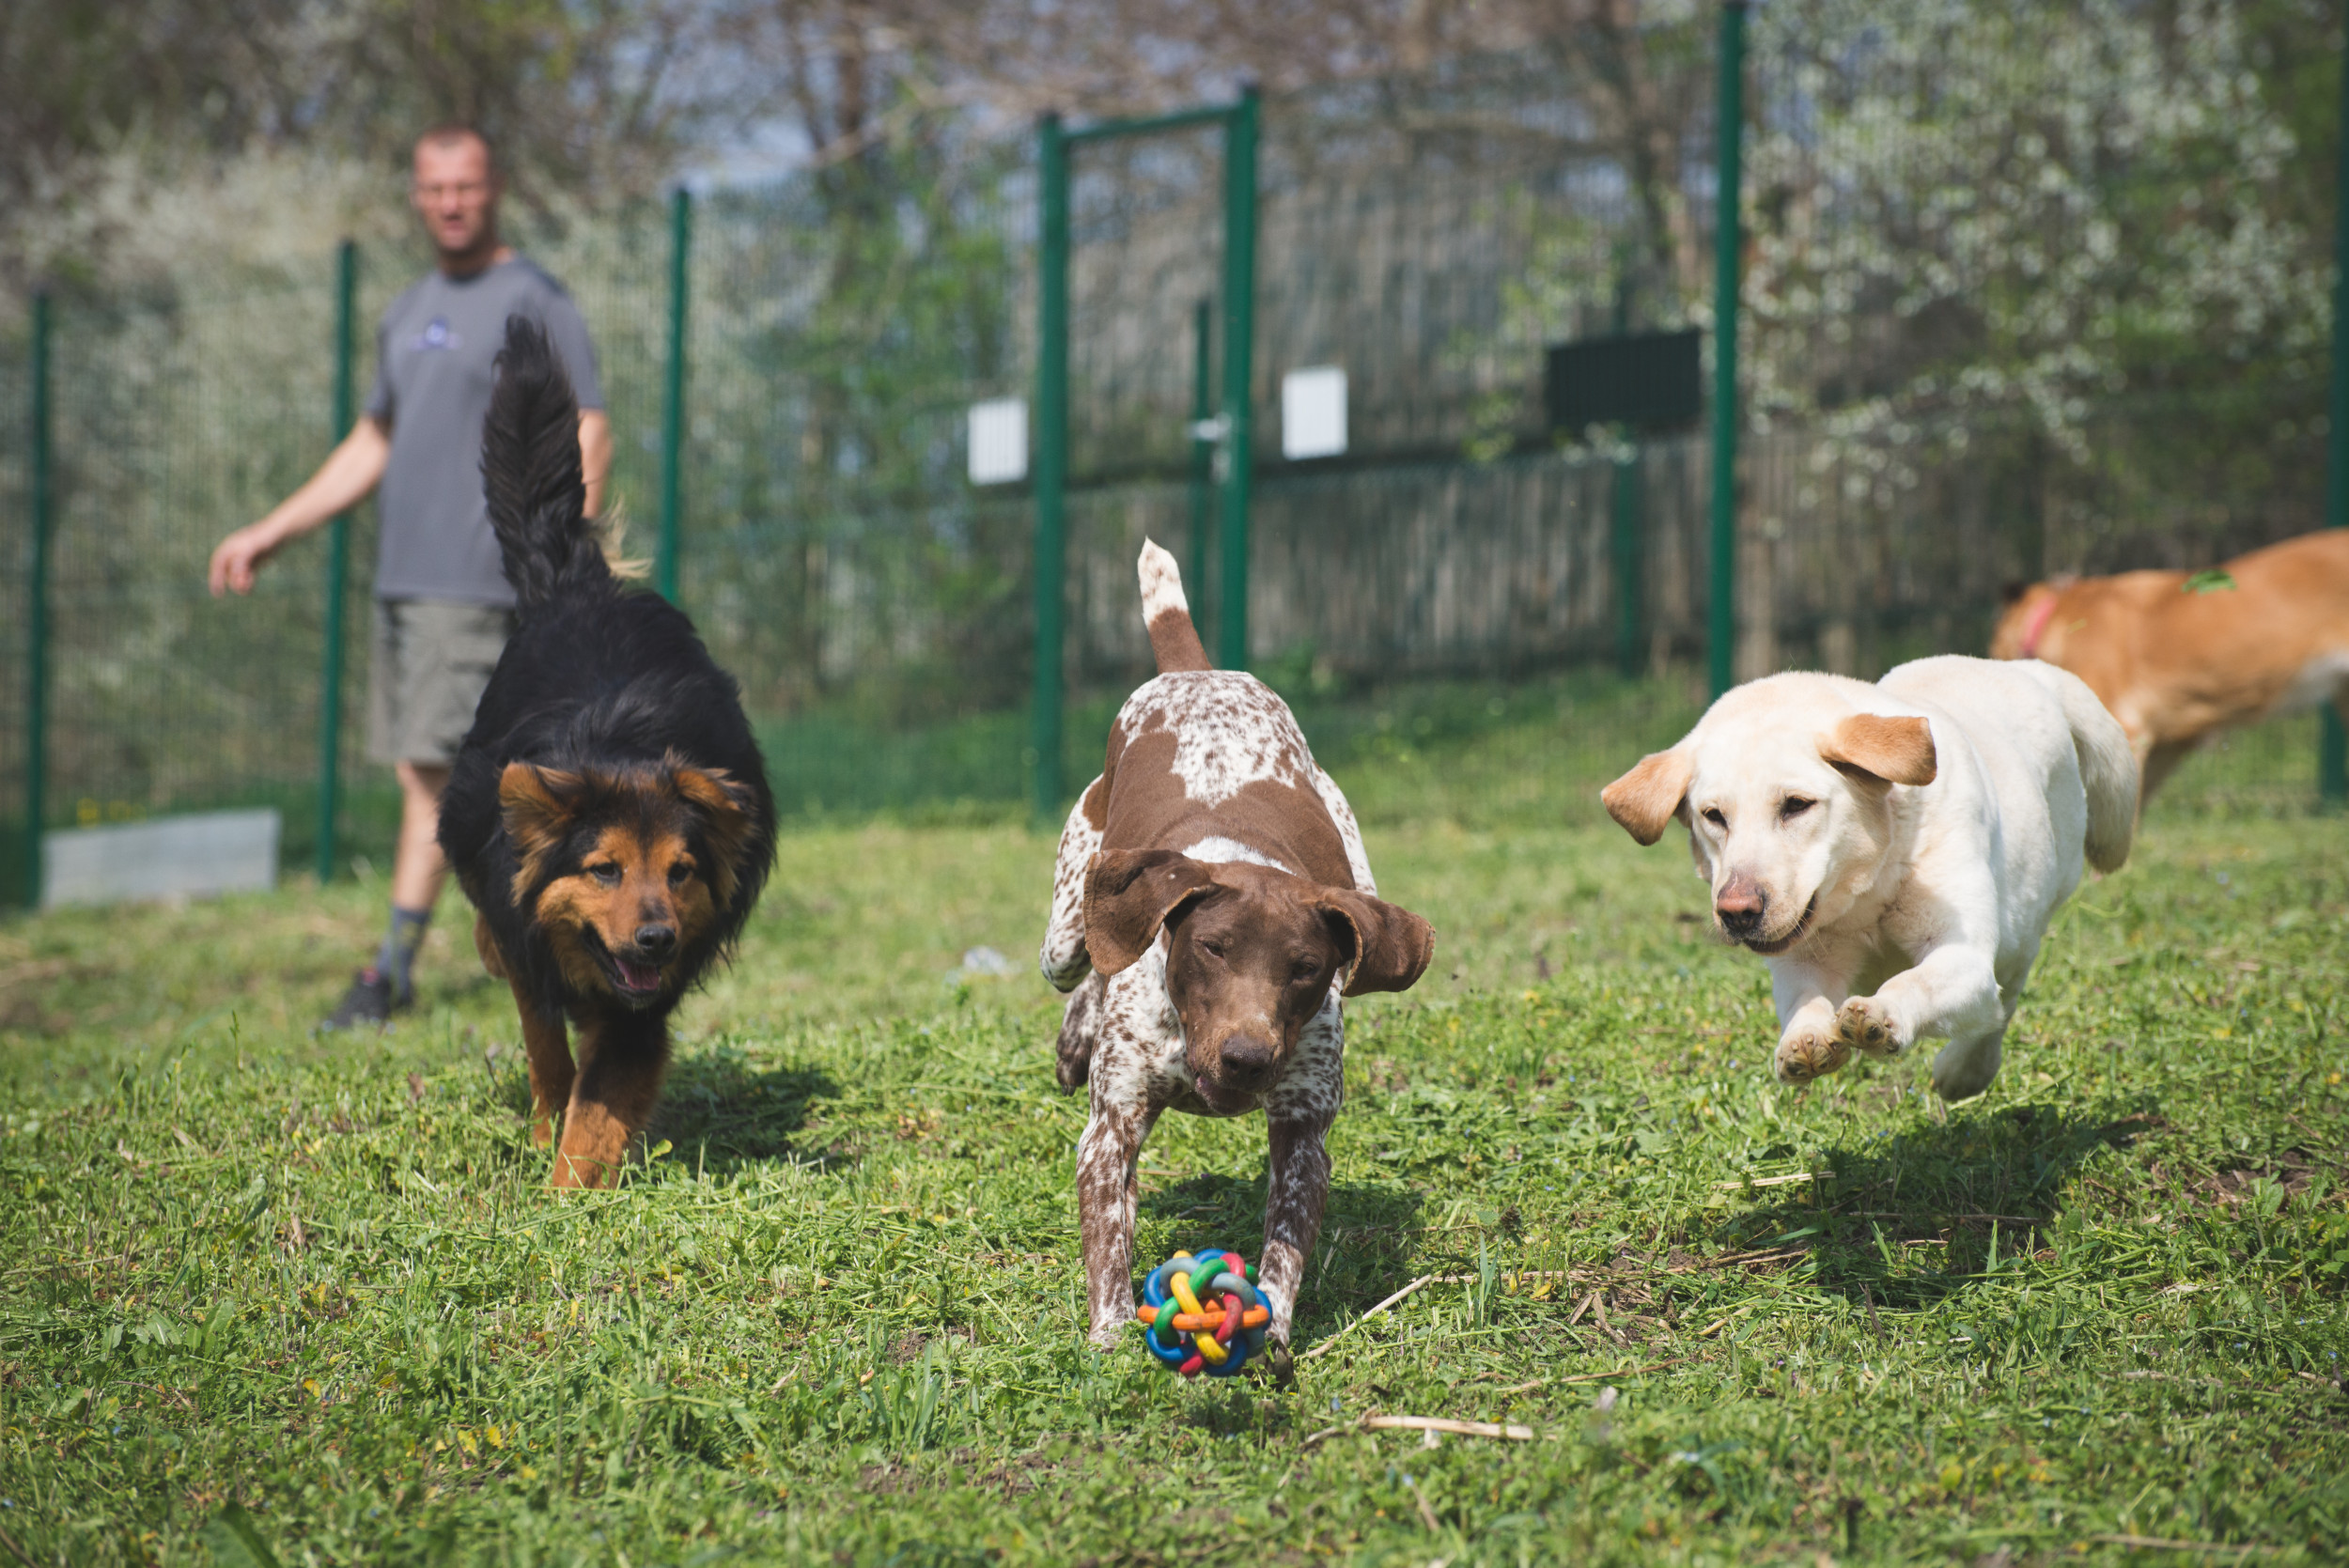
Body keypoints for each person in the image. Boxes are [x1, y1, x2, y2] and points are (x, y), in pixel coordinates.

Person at [210, 124, 612, 1029]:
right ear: (417, 195)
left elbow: (590, 425)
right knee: (431, 778)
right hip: (406, 583)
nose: (451, 201)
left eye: (466, 184)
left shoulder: (535, 300)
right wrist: (275, 529)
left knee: (444, 783)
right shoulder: (405, 309)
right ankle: (526, 943)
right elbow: (373, 441)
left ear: (495, 185)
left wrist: (556, 557)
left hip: (483, 586)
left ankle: (395, 971)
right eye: (435, 187)